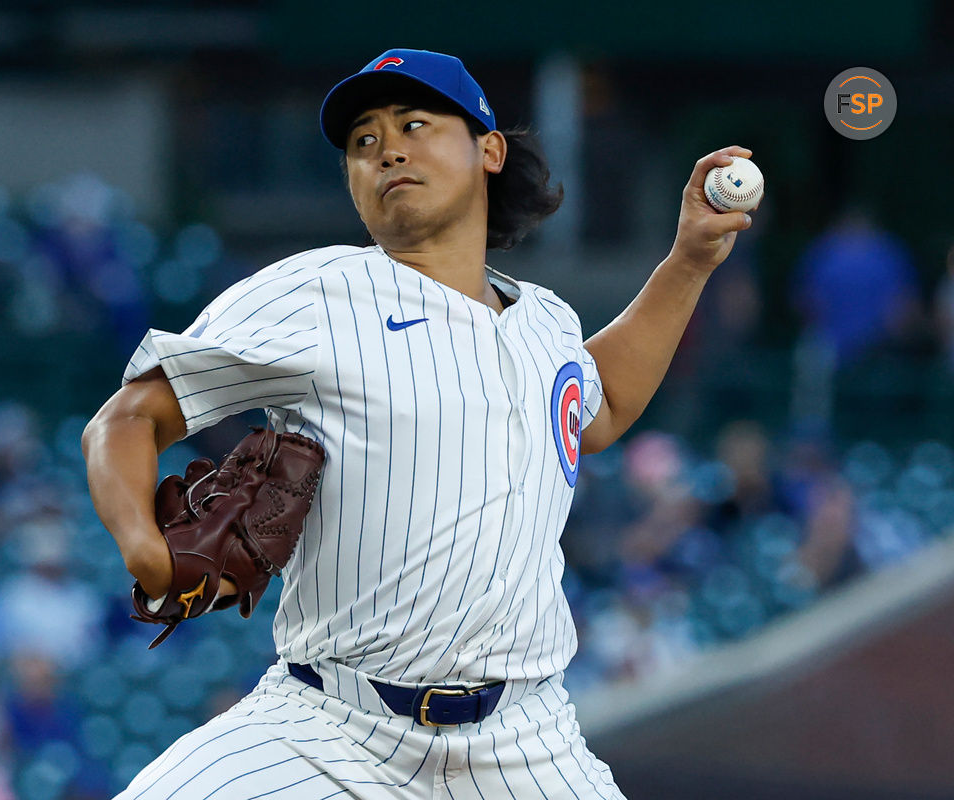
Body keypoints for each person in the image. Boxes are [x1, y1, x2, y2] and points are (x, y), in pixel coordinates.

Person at [83, 48, 756, 799]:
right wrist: (142, 544)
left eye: (414, 123)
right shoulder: (316, 291)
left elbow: (601, 409)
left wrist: (690, 260)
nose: (387, 148)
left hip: (525, 742)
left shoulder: (546, 323)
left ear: (490, 150)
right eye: (363, 142)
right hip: (329, 731)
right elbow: (130, 417)